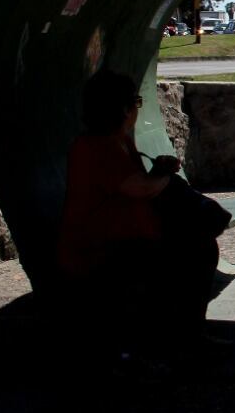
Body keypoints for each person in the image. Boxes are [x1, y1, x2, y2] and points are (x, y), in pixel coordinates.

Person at [57, 69, 221, 364]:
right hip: (102, 250)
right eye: (135, 102)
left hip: (125, 240)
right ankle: (181, 340)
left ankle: (188, 336)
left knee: (199, 248)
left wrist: (160, 172)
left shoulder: (118, 141)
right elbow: (140, 188)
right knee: (191, 254)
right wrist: (165, 174)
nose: (136, 110)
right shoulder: (96, 147)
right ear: (121, 108)